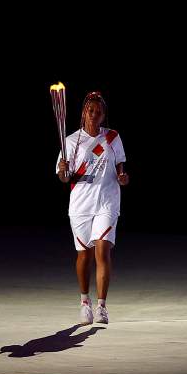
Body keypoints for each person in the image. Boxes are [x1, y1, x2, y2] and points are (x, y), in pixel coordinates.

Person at [56, 91, 128, 326]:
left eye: (99, 112)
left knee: (103, 250)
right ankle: (85, 302)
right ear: (84, 113)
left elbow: (120, 166)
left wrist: (123, 177)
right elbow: (64, 178)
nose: (94, 115)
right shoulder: (70, 142)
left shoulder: (112, 137)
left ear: (104, 115)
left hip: (107, 201)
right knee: (84, 255)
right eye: (91, 110)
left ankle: (101, 307)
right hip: (81, 205)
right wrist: (63, 170)